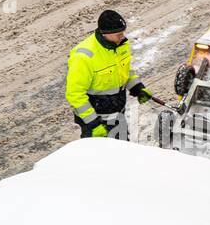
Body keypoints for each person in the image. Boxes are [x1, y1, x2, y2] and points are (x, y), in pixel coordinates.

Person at [66, 10, 163, 138]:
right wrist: (92, 124)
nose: (123, 37)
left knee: (123, 152)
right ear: (105, 33)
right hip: (96, 122)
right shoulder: (84, 56)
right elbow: (74, 94)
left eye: (123, 32)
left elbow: (124, 70)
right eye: (119, 34)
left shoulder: (120, 45)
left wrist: (137, 87)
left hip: (118, 115)